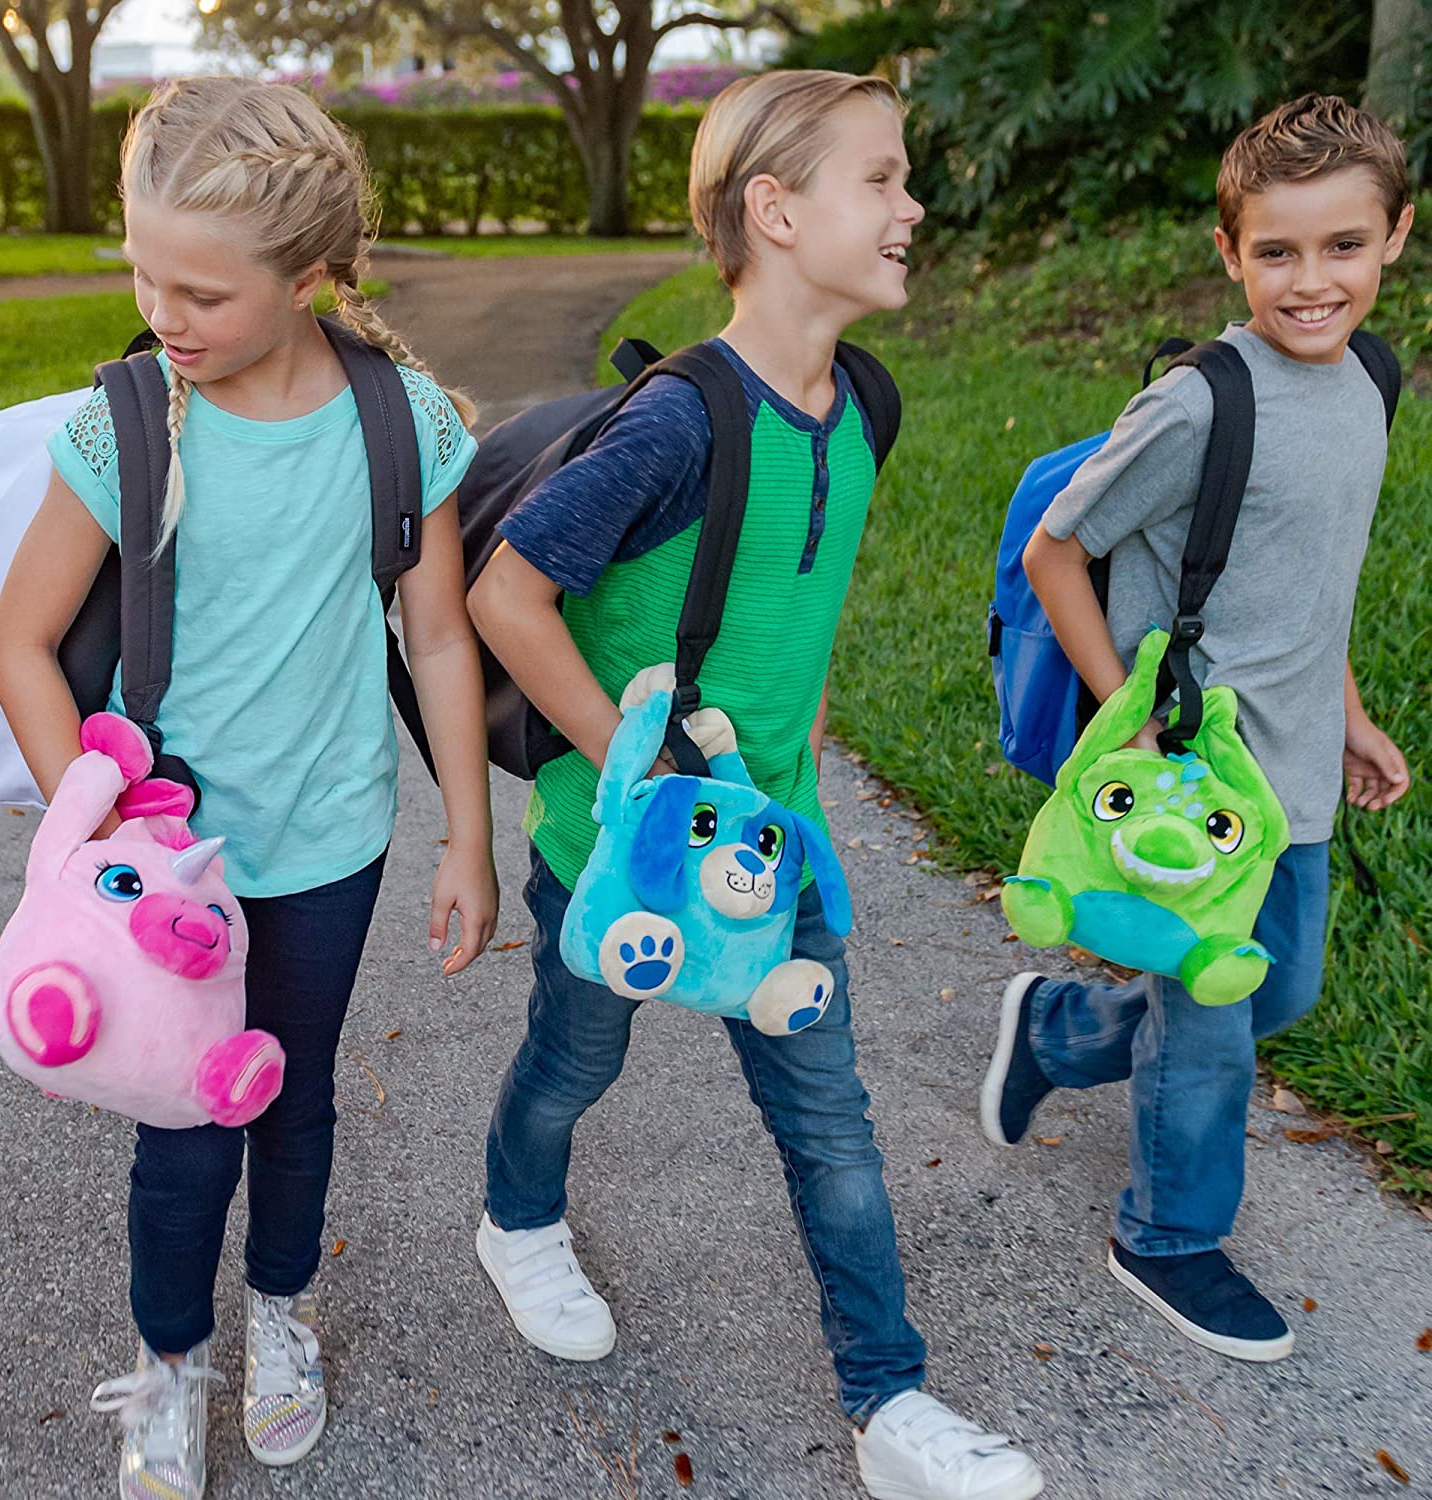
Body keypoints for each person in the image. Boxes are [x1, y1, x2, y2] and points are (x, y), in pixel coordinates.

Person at [468, 70, 1045, 1500]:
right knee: (575, 1059)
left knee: (827, 1117)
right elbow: (506, 592)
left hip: (767, 849)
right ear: (777, 213)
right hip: (621, 848)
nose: (914, 207)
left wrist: (803, 812)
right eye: (884, 180)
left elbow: (804, 627)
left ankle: (889, 1401)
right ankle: (516, 1219)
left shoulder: (867, 407)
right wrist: (633, 772)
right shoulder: (676, 425)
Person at [0, 76, 499, 1500]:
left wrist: (471, 832)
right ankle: (170, 1357)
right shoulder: (133, 426)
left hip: (332, 843)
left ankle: (281, 1314)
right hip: (166, 873)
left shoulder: (400, 423)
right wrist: (84, 835)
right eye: (144, 273)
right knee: (181, 1129)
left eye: (202, 290)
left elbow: (440, 632)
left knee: (291, 1099)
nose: (165, 312)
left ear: (314, 275)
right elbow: (23, 640)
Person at [982, 92, 1413, 1362]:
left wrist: (1350, 714)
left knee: (1277, 991)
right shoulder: (1200, 404)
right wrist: (1129, 723)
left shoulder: (1372, 382)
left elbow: (1306, 583)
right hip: (1190, 785)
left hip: (1294, 774)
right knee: (1214, 1027)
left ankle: (1058, 1034)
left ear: (1396, 238)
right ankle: (1166, 1236)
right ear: (1230, 253)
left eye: (1344, 245)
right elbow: (1061, 550)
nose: (1312, 280)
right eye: (1276, 250)